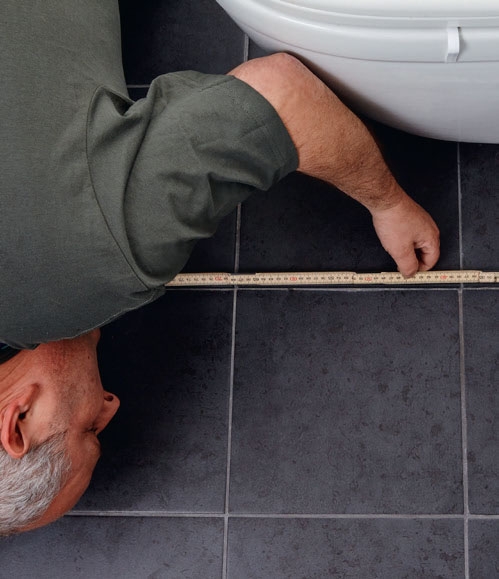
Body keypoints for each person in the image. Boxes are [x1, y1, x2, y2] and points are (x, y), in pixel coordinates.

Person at [0, 1, 440, 535]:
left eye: (89, 431)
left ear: (17, 420)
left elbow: (282, 95)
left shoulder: (94, 257)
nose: (110, 406)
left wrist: (388, 203)